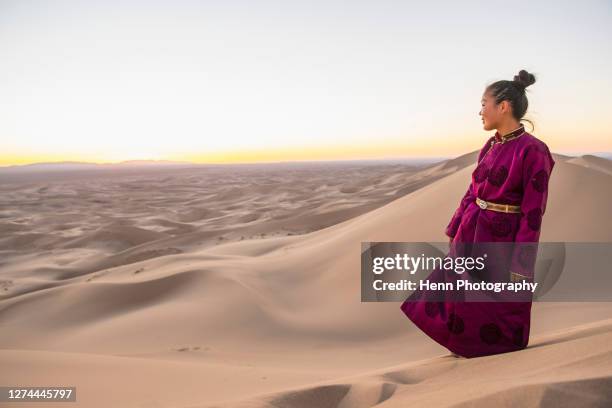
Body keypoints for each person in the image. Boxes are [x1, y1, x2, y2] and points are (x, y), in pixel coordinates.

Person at [399, 69, 555, 358]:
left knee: (493, 301)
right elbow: (473, 190)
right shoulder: (491, 144)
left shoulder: (534, 151)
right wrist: (456, 226)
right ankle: (468, 353)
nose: (480, 111)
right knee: (454, 296)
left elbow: (534, 212)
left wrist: (521, 264)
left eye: (484, 103)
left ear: (503, 107)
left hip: (501, 238)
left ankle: (496, 361)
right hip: (472, 230)